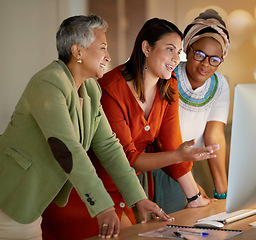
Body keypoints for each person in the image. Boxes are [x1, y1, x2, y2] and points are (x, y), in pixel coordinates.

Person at [0, 14, 172, 240]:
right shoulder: (48, 83)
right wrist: (103, 207)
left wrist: (138, 198)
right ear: (77, 51)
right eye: (102, 48)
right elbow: (67, 148)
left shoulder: (90, 90)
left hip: (32, 201)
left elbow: (109, 147)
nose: (108, 57)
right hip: (10, 194)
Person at [95, 17, 219, 223]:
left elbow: (173, 145)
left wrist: (195, 198)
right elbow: (127, 160)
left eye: (178, 52)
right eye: (170, 49)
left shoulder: (169, 86)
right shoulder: (110, 89)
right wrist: (178, 154)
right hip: (99, 190)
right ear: (146, 48)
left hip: (132, 190)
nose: (176, 59)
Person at [174, 9, 230, 199]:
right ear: (188, 50)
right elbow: (163, 138)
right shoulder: (169, 77)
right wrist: (192, 186)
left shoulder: (219, 84)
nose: (206, 64)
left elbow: (214, 136)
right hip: (162, 164)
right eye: (199, 54)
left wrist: (223, 192)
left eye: (214, 60)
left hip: (189, 165)